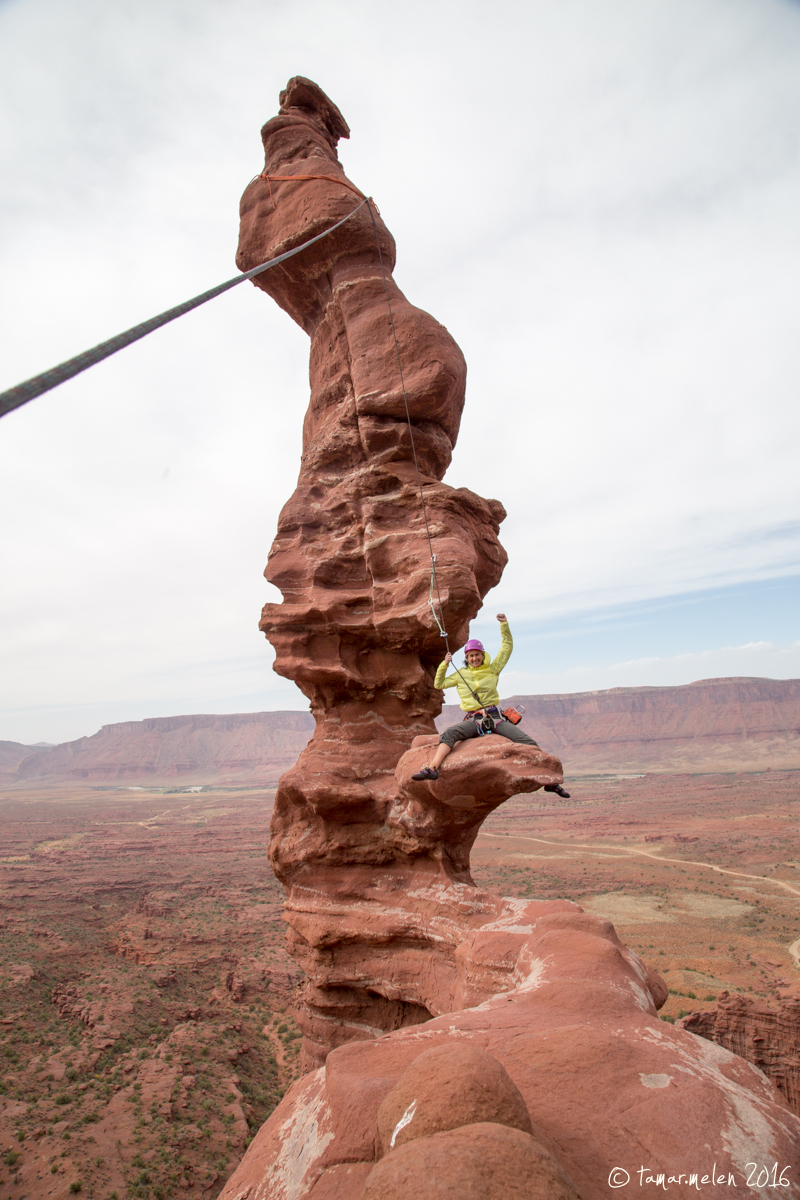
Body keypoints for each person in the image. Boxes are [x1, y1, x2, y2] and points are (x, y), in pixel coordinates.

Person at [412, 613, 570, 797]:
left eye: (477, 655)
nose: (474, 658)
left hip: (494, 717)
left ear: (483, 655)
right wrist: (444, 665)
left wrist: (504, 625)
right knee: (450, 734)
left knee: (528, 743)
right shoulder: (461, 674)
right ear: (467, 658)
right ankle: (432, 769)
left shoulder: (492, 669)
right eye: (471, 656)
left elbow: (507, 648)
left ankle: (551, 781)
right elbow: (439, 684)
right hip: (474, 719)